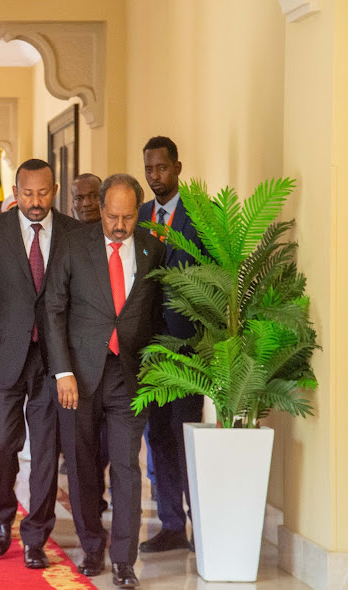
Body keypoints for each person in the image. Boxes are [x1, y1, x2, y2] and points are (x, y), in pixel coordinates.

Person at [46, 173, 166, 590]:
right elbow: (53, 310)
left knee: (127, 468)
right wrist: (62, 371)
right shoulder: (72, 245)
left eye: (128, 217)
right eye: (113, 216)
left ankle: (123, 560)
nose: (119, 226)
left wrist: (155, 367)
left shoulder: (153, 250)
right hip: (78, 375)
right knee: (81, 465)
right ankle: (91, 546)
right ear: (99, 208)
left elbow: (156, 314)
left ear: (138, 212)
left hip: (128, 374)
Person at [0, 158, 82, 569]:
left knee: (48, 450)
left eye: (43, 193)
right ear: (16, 191)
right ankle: (2, 514)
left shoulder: (73, 233)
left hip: (53, 359)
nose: (36, 202)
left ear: (55, 189)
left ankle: (36, 535)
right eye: (28, 193)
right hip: (0, 355)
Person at [138, 136, 204, 553]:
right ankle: (170, 525)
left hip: (188, 348)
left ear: (177, 167)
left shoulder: (201, 215)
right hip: (147, 348)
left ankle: (202, 521)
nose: (155, 176)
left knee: (186, 434)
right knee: (157, 434)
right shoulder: (140, 215)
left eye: (161, 168)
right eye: (148, 169)